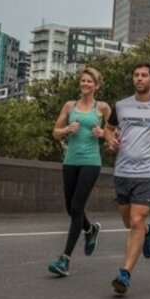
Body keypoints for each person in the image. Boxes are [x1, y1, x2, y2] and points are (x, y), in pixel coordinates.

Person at [103, 62, 150, 296]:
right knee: (128, 222)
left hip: (148, 172)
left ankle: (124, 273)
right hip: (123, 171)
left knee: (137, 220)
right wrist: (110, 139)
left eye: (144, 75)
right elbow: (108, 128)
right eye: (136, 75)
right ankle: (148, 232)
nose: (139, 79)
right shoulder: (121, 106)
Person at [47, 67, 111, 277]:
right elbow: (55, 132)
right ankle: (90, 229)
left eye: (89, 81)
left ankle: (64, 260)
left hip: (90, 161)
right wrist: (66, 130)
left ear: (96, 85)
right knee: (70, 207)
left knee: (76, 206)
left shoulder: (102, 108)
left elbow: (113, 132)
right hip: (70, 160)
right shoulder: (69, 105)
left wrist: (103, 133)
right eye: (83, 81)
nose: (84, 84)